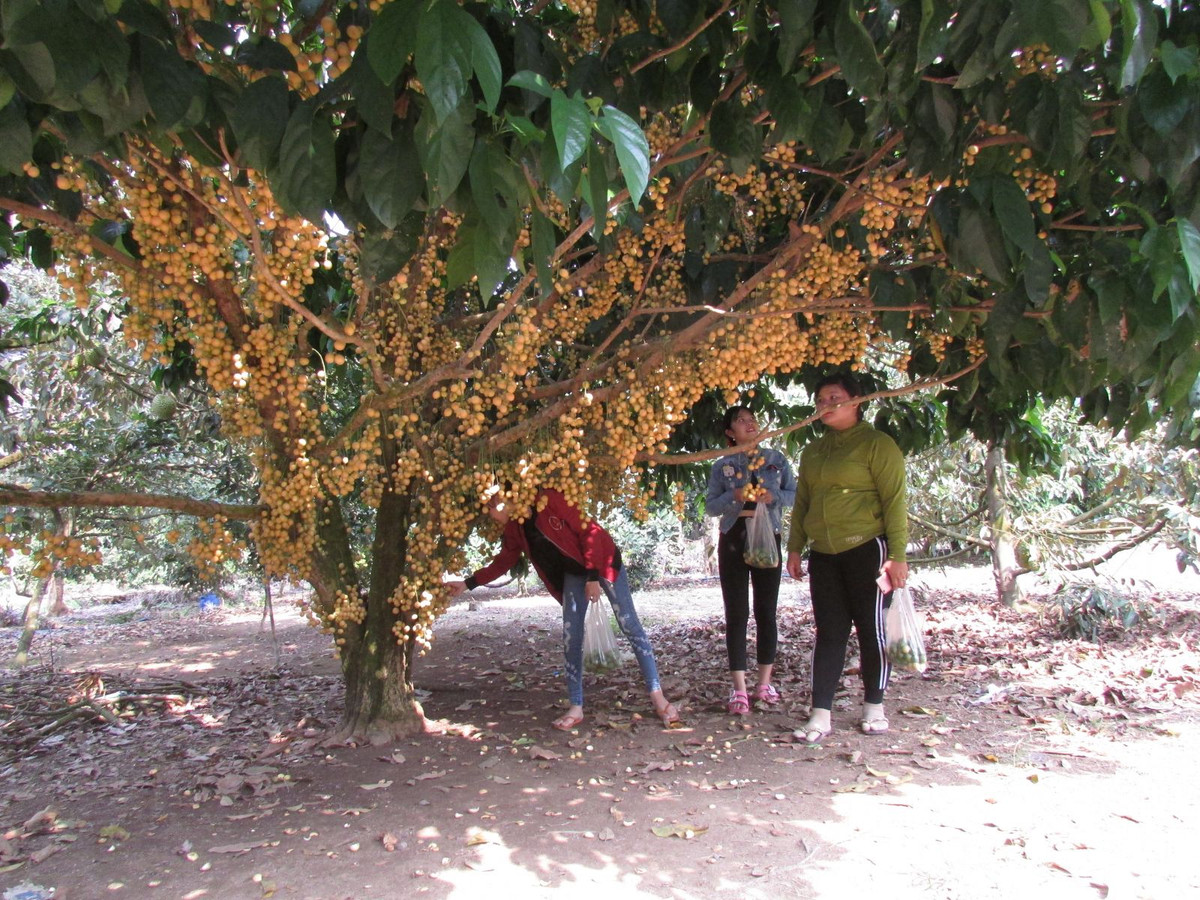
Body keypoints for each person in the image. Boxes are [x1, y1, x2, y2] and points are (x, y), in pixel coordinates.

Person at [446, 487, 680, 731]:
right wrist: (467, 584)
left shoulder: (549, 499)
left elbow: (588, 531)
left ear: (504, 499)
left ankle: (658, 696)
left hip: (603, 560)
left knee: (629, 624)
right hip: (574, 574)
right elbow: (505, 561)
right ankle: (576, 706)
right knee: (572, 636)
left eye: (490, 506)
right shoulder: (516, 528)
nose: (489, 513)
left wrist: (592, 577)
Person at [785, 372, 909, 743]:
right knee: (829, 634)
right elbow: (803, 501)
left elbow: (895, 502)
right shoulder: (814, 450)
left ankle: (874, 705)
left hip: (867, 549)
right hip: (824, 553)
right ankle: (820, 713)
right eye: (820, 400)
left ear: (855, 401)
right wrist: (795, 546)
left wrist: (898, 556)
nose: (824, 405)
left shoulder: (878, 445)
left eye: (833, 397)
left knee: (872, 630)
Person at [705, 406, 797, 715]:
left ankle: (764, 684)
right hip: (734, 537)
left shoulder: (776, 460)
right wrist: (734, 495)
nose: (750, 423)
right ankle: (739, 690)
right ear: (730, 432)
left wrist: (775, 498)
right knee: (736, 612)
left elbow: (795, 494)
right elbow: (711, 507)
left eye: (752, 418)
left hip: (767, 537)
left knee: (766, 611)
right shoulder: (722, 466)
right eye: (741, 420)